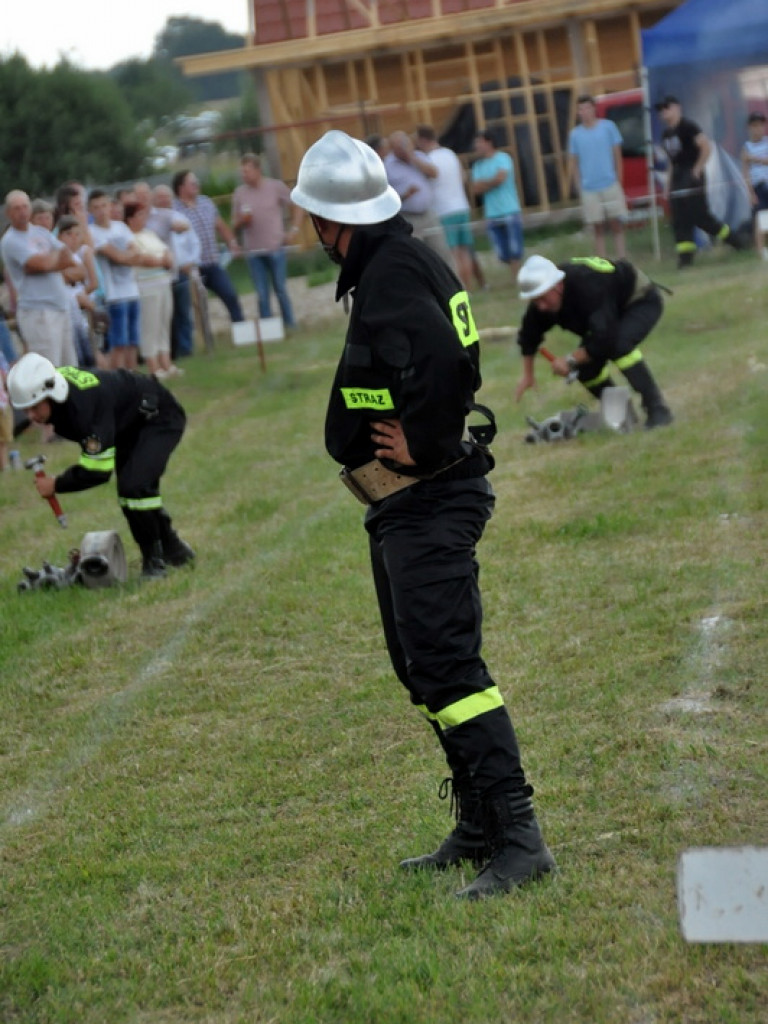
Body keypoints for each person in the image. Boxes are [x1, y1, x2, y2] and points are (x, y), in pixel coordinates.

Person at [290, 129, 555, 900]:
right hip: (406, 503)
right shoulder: (397, 262)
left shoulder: (393, 271)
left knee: (450, 668)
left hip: (431, 494)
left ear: (331, 221)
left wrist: (426, 439)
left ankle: (520, 837)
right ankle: (478, 826)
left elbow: (446, 361)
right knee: (422, 668)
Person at [7, 352, 194, 578]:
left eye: (35, 407)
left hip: (157, 418)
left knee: (135, 488)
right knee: (130, 492)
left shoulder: (84, 410)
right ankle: (175, 550)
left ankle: (154, 562)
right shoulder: (58, 391)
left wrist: (56, 484)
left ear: (51, 394)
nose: (31, 416)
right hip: (127, 422)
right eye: (26, 409)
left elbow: (97, 472)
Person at [515, 253, 673, 429]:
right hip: (607, 314)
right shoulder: (543, 302)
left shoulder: (588, 286)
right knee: (585, 368)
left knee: (619, 346)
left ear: (557, 285)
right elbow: (528, 336)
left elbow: (605, 339)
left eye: (543, 298)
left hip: (638, 300)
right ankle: (622, 415)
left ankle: (657, 409)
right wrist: (528, 375)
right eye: (535, 301)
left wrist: (569, 360)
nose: (541, 306)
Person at [656, 95, 741, 268]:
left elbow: (705, 147)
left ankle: (736, 241)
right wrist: (668, 184)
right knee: (680, 219)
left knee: (701, 217)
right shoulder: (666, 134)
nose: (664, 112)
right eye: (660, 109)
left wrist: (697, 168)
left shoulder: (688, 127)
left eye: (667, 107)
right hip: (678, 177)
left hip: (692, 176)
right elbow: (672, 162)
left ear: (677, 107)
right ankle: (685, 258)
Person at [0, 190, 78, 369]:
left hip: (60, 306)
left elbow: (68, 257)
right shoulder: (10, 240)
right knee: (49, 369)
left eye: (25, 206)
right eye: (16, 208)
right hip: (38, 312)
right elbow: (39, 264)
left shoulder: (41, 233)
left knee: (70, 367)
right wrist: (52, 260)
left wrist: (50, 261)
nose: (22, 211)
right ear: (9, 213)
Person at [232, 153, 302, 328]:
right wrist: (242, 221)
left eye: (247, 171)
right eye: (242, 172)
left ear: (257, 170)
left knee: (280, 288)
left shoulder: (275, 187)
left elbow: (297, 204)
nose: (244, 175)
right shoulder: (240, 193)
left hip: (275, 247)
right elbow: (234, 223)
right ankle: (268, 328)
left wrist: (293, 230)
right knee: (262, 293)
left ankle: (289, 324)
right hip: (253, 251)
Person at [414, 125, 486, 292]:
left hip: (444, 210)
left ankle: (460, 287)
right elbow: (463, 176)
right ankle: (468, 286)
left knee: (453, 253)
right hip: (461, 206)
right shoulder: (450, 154)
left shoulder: (429, 160)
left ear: (423, 140)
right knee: (464, 250)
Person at [172, 169, 244, 324]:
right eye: (192, 183)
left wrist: (232, 243)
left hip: (212, 263)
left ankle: (241, 328)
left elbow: (220, 225)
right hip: (190, 268)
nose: (196, 185)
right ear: (181, 187)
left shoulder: (206, 202)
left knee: (230, 294)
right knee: (197, 306)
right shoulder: (174, 210)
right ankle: (205, 339)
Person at [123, 201, 181, 380]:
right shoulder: (129, 237)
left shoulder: (149, 233)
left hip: (163, 282)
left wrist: (166, 260)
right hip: (147, 286)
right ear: (130, 219)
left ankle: (166, 362)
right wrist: (161, 261)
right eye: (139, 215)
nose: (143, 219)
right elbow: (143, 258)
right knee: (151, 325)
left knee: (164, 322)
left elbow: (166, 251)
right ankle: (153, 366)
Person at [384, 130, 456, 269]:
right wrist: (405, 195)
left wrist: (412, 157)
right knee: (418, 256)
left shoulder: (418, 156)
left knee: (442, 252)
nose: (403, 150)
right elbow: (387, 197)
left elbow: (434, 173)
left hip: (428, 214)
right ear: (393, 149)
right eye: (399, 148)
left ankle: (454, 286)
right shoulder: (388, 166)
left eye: (405, 145)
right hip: (409, 218)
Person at [568, 95, 628, 259]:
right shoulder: (575, 135)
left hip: (609, 182)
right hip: (589, 187)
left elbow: (617, 154)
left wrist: (619, 178)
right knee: (597, 226)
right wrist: (579, 186)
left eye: (587, 107)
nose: (584, 112)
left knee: (616, 223)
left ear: (594, 108)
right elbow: (574, 162)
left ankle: (622, 258)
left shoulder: (608, 127)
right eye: (581, 109)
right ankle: (603, 260)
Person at [88, 188, 142, 370]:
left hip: (131, 291)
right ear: (91, 211)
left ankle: (133, 376)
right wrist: (128, 256)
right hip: (113, 295)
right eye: (96, 207)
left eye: (104, 205)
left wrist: (125, 255)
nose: (101, 210)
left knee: (133, 341)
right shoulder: (92, 233)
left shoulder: (121, 227)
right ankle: (118, 378)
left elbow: (136, 251)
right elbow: (118, 256)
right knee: (118, 343)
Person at [470, 130, 524, 280]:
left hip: (509, 210)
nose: (476, 146)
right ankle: (517, 275)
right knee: (502, 253)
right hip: (492, 214)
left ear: (489, 142)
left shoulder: (503, 158)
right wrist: (492, 182)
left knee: (515, 250)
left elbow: (501, 179)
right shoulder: (478, 166)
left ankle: (517, 278)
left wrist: (485, 183)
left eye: (479, 142)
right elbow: (475, 189)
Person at [153, 183, 198, 359]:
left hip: (182, 270)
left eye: (167, 197)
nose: (164, 201)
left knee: (183, 312)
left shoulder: (181, 218)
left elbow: (194, 242)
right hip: (162, 272)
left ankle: (186, 348)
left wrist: (190, 262)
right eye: (160, 197)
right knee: (167, 315)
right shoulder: (152, 221)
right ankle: (171, 350)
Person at [741, 111, 768, 259]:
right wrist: (750, 193)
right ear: (749, 128)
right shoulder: (746, 147)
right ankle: (760, 251)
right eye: (755, 126)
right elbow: (745, 172)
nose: (758, 129)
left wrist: (753, 158)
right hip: (758, 186)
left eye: (761, 126)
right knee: (760, 218)